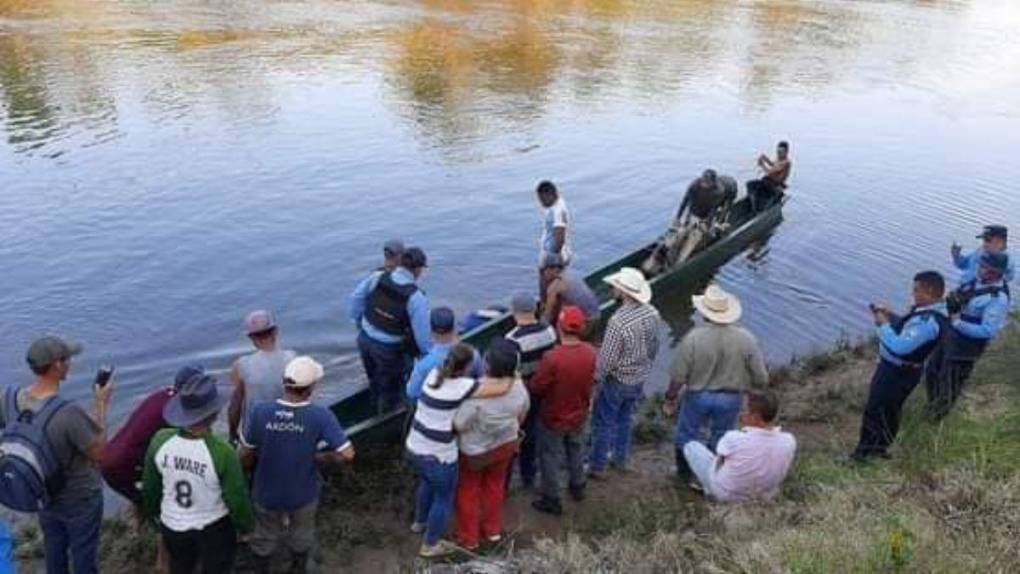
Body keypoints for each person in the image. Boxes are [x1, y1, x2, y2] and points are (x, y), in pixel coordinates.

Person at [0, 336, 111, 574]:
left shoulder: (7, 399)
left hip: (42, 494)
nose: (71, 363)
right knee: (84, 558)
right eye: (68, 359)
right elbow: (101, 453)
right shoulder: (68, 413)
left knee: (54, 552)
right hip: (80, 498)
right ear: (57, 365)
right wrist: (101, 404)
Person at [240, 357, 355, 574]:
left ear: (284, 383)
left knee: (264, 534)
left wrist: (247, 473)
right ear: (311, 387)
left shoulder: (260, 411)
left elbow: (246, 453)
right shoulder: (321, 415)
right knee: (301, 534)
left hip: (266, 491)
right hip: (303, 492)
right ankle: (298, 566)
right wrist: (320, 458)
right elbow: (347, 454)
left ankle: (261, 567)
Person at [405, 343, 515, 559]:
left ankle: (419, 522)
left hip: (414, 445)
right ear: (466, 367)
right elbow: (501, 389)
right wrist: (513, 374)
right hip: (438, 456)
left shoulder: (433, 375)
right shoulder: (463, 386)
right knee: (443, 498)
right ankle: (430, 544)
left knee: (426, 483)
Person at [142, 373, 254, 574]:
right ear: (214, 413)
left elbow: (151, 489)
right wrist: (246, 525)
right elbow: (236, 498)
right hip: (213, 528)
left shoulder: (160, 440)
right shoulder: (223, 452)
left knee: (181, 566)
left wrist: (155, 513)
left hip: (172, 525)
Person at [663, 285, 769, 479]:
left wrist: (670, 398)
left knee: (687, 435)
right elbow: (761, 377)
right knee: (722, 437)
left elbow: (678, 376)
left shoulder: (693, 338)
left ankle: (684, 475)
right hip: (731, 398)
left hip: (697, 396)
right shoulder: (747, 339)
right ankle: (714, 474)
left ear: (705, 313)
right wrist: (753, 397)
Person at [852, 271, 948, 461]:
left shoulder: (929, 322)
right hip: (902, 371)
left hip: (897, 373)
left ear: (929, 290)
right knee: (890, 411)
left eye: (917, 290)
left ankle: (864, 456)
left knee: (877, 411)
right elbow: (908, 330)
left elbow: (900, 347)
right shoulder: (929, 311)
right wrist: (890, 316)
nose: (913, 293)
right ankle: (879, 450)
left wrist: (883, 325)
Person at [452, 342, 530, 551]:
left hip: (475, 452)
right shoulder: (519, 387)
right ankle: (492, 531)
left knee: (468, 490)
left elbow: (459, 424)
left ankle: (469, 538)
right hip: (505, 445)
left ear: (487, 365)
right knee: (495, 487)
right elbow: (522, 413)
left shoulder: (476, 392)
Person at [589, 268, 661, 479]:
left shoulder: (618, 321)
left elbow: (607, 360)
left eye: (616, 287)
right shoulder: (652, 313)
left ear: (623, 292)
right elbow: (654, 345)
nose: (613, 289)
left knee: (604, 423)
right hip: (639, 376)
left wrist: (596, 380)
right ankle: (620, 459)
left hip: (617, 379)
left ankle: (598, 466)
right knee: (625, 419)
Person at [529, 306, 598, 515]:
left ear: (559, 327)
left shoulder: (552, 357)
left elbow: (537, 387)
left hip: (554, 416)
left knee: (550, 456)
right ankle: (578, 486)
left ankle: (552, 498)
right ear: (582, 328)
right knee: (576, 450)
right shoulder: (590, 352)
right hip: (580, 413)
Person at [925, 254, 1010, 420]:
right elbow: (958, 298)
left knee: (949, 385)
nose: (980, 269)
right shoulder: (976, 282)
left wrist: (958, 323)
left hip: (966, 349)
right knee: (932, 372)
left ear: (996, 272)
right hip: (949, 337)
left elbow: (987, 331)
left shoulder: (998, 299)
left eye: (985, 267)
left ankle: (936, 420)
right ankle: (930, 407)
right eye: (981, 265)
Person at [102, 365, 203, 505]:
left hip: (110, 456)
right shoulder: (175, 412)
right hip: (119, 467)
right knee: (154, 503)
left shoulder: (163, 395)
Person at [349, 246, 432, 413]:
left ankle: (375, 404)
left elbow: (355, 298)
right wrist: (428, 356)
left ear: (401, 262)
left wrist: (360, 324)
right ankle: (389, 415)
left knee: (374, 379)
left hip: (364, 340)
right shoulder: (416, 297)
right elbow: (423, 338)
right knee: (392, 389)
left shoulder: (378, 277)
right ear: (418, 270)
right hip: (389, 350)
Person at [683, 391, 796, 502]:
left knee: (692, 446)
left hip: (726, 495)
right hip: (764, 495)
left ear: (755, 417)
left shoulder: (733, 438)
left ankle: (708, 490)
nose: (741, 414)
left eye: (744, 411)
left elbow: (719, 462)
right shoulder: (789, 441)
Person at [504, 292, 558, 489]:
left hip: (523, 393)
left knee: (520, 433)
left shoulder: (512, 339)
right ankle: (529, 475)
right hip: (544, 389)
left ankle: (514, 477)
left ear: (514, 311)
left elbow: (512, 372)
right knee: (536, 430)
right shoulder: (549, 331)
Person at [643, 170, 738, 275]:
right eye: (704, 182)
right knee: (681, 232)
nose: (705, 184)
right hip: (700, 208)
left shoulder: (719, 191)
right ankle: (664, 258)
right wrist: (678, 218)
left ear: (713, 183)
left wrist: (708, 224)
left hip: (727, 196)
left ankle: (680, 263)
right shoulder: (694, 185)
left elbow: (713, 210)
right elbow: (686, 202)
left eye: (707, 183)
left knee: (711, 227)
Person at [228, 310, 297, 442]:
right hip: (289, 430)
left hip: (255, 435)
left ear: (251, 337)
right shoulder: (293, 359)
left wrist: (232, 433)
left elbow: (235, 405)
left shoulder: (241, 365)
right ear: (275, 331)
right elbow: (304, 398)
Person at [406, 307, 483, 403]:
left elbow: (412, 393)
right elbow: (480, 379)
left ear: (431, 331)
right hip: (463, 404)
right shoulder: (473, 354)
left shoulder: (423, 365)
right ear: (454, 328)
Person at [539, 254, 601, 330]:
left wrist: (538, 327)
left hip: (586, 322)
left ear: (549, 269)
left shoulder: (554, 286)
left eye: (542, 272)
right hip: (597, 316)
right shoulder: (572, 274)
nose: (543, 276)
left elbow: (548, 316)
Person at [536, 180, 573, 298]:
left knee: (547, 284)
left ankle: (546, 304)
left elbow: (559, 237)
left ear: (550, 195)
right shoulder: (558, 204)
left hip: (553, 255)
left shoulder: (558, 211)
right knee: (554, 283)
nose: (541, 203)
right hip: (555, 252)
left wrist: (553, 260)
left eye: (542, 199)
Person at [746, 141, 792, 212]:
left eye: (781, 152)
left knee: (750, 184)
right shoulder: (779, 159)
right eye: (778, 151)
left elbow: (771, 171)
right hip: (768, 182)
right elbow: (772, 164)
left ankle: (756, 209)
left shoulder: (786, 162)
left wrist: (762, 165)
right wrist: (765, 158)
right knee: (754, 186)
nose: (778, 153)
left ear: (786, 152)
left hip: (774, 185)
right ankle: (754, 204)